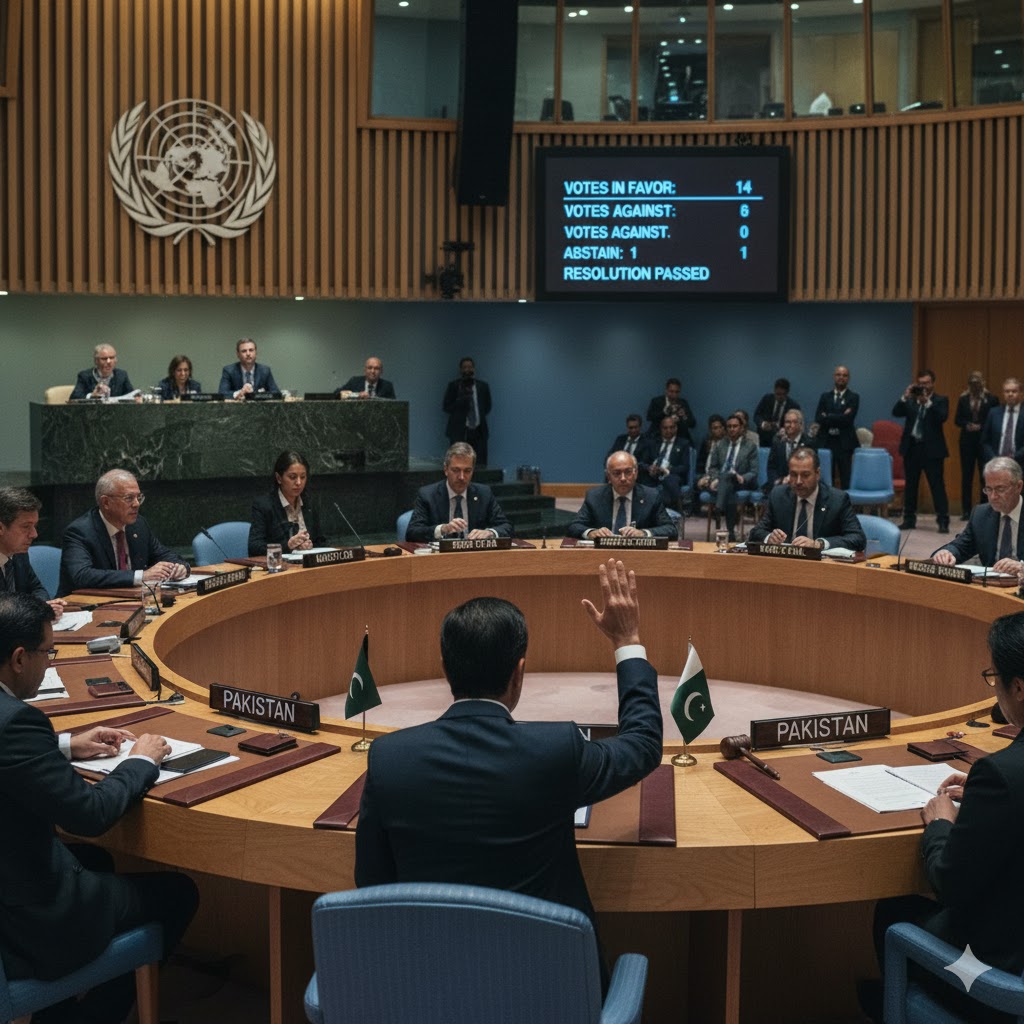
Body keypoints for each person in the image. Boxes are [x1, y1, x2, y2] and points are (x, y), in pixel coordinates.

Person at [354, 559, 663, 948]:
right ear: (519, 672)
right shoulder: (556, 750)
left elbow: (372, 885)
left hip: (426, 977)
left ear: (445, 670)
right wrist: (627, 641)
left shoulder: (389, 758)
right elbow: (643, 744)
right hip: (550, 979)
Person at [0, 592, 198, 1024]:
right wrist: (140, 762)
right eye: (46, 652)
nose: (48, 663)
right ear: (18, 658)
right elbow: (89, 816)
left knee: (98, 861)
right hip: (24, 920)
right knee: (178, 892)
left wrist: (65, 745)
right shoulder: (16, 722)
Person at [868, 611, 1024, 1024]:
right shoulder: (1003, 778)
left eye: (995, 677)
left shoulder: (1002, 776)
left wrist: (940, 823)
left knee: (893, 913)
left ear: (1019, 687)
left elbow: (949, 884)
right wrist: (992, 794)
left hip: (1000, 982)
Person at [58, 470, 188, 596]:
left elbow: (163, 554)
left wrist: (180, 567)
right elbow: (82, 575)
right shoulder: (80, 532)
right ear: (106, 502)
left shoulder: (138, 525)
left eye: (139, 497)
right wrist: (141, 576)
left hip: (130, 600)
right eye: (129, 498)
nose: (137, 504)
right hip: (83, 605)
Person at [748, 447, 866, 550]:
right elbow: (756, 533)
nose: (798, 481)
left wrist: (819, 544)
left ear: (817, 473)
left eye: (805, 475)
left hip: (822, 565)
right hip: (786, 563)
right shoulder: (778, 496)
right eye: (794, 475)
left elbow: (858, 539)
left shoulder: (837, 499)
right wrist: (769, 538)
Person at [406, 442, 512, 541]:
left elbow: (506, 527)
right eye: (456, 470)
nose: (461, 477)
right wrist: (443, 529)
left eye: (467, 471)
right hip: (442, 553)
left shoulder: (484, 494)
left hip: (474, 553)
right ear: (446, 469)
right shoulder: (428, 495)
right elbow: (412, 533)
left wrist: (490, 533)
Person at [934, 457, 1024, 572]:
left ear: (1018, 486)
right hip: (991, 581)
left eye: (1000, 489)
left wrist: (1022, 567)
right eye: (989, 489)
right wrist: (947, 552)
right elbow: (961, 546)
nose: (993, 496)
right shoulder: (981, 514)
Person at [892, 368, 950, 533]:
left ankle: (943, 521)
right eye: (921, 383)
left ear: (933, 383)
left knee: (937, 487)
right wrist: (905, 396)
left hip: (932, 451)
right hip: (912, 449)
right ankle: (909, 519)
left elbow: (942, 417)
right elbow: (896, 412)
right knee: (911, 487)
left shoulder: (940, 400)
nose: (924, 386)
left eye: (927, 383)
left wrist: (927, 403)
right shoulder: (911, 400)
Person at [567, 452, 677, 539]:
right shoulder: (595, 496)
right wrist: (591, 532)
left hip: (638, 554)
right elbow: (574, 526)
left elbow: (671, 529)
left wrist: (644, 533)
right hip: (604, 553)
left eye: (628, 472)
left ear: (636, 473)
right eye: (617, 473)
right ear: (608, 476)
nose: (623, 478)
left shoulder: (651, 496)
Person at [0, 487, 65, 617]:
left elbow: (36, 588)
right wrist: (35, 610)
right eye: (26, 527)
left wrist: (44, 606)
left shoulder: (19, 554)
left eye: (35, 526)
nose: (34, 534)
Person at [248, 450, 326, 556]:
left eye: (303, 477)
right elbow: (254, 547)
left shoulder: (310, 503)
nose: (299, 482)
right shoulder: (264, 506)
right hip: (279, 565)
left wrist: (310, 545)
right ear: (279, 478)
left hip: (308, 563)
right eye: (292, 477)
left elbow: (321, 541)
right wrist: (287, 546)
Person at [699, 414, 758, 542]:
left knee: (728, 477)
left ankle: (719, 508)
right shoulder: (720, 445)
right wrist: (718, 477)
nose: (732, 429)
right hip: (724, 482)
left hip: (740, 481)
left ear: (742, 428)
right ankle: (730, 532)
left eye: (735, 426)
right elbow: (713, 467)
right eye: (729, 426)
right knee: (727, 484)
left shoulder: (750, 446)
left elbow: (754, 471)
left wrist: (742, 477)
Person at [955, 371, 999, 520]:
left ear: (983, 383)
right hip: (967, 442)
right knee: (966, 476)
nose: (975, 386)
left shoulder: (991, 399)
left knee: (984, 476)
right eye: (972, 383)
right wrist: (967, 425)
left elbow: (995, 419)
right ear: (969, 385)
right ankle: (966, 511)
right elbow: (957, 419)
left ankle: (984, 508)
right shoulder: (963, 399)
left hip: (984, 442)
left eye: (977, 383)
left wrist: (982, 426)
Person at [814, 365, 860, 488]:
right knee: (826, 479)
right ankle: (827, 501)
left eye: (844, 375)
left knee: (846, 478)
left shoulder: (854, 397)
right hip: (826, 441)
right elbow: (818, 418)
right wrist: (841, 415)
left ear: (848, 378)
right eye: (838, 375)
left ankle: (845, 501)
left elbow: (848, 420)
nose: (841, 377)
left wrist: (828, 416)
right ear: (834, 377)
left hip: (844, 443)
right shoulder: (825, 396)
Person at [443, 357, 491, 465]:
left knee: (480, 464)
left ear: (474, 369)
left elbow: (487, 407)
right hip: (459, 431)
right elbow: (446, 407)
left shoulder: (483, 386)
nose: (467, 370)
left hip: (479, 431)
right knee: (458, 464)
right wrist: (460, 401)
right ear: (460, 370)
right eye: (464, 367)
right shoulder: (454, 386)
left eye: (470, 367)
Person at [637, 415, 690, 511]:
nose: (668, 430)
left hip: (672, 475)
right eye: (665, 428)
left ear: (676, 428)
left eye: (671, 427)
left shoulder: (683, 444)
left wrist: (667, 470)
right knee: (640, 477)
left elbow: (684, 467)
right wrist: (649, 468)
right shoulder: (653, 443)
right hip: (653, 475)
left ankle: (670, 510)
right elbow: (642, 462)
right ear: (661, 429)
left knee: (669, 480)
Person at [766, 409, 815, 495]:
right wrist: (779, 481)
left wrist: (793, 479)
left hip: (802, 484)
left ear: (800, 425)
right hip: (780, 485)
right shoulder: (778, 443)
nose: (790, 425)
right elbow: (771, 467)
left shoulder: (809, 443)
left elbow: (812, 468)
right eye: (787, 422)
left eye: (794, 422)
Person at [981, 377, 1024, 469]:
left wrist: (1014, 458)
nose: (1010, 394)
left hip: (1020, 463)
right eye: (1007, 391)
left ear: (1021, 393)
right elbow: (985, 441)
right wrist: (994, 458)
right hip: (996, 464)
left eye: (1014, 391)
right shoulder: (993, 413)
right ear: (1003, 394)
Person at [69, 344, 134, 401]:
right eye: (104, 359)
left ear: (116, 360)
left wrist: (136, 398)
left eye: (111, 358)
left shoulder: (121, 375)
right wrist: (92, 395)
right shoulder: (85, 376)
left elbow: (131, 395)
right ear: (96, 361)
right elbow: (74, 398)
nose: (109, 362)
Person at [645, 377, 696, 444]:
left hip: (679, 438)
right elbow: (649, 417)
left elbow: (692, 424)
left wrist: (684, 416)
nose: (674, 395)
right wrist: (665, 412)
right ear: (666, 390)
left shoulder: (683, 403)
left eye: (677, 392)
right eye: (671, 391)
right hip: (659, 437)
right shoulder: (657, 401)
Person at [753, 378, 800, 447]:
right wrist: (763, 424)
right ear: (774, 390)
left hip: (783, 439)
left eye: (783, 394)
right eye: (777, 394)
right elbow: (756, 416)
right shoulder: (767, 399)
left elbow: (796, 425)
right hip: (763, 437)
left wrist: (784, 430)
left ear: (787, 393)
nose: (779, 397)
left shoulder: (793, 406)